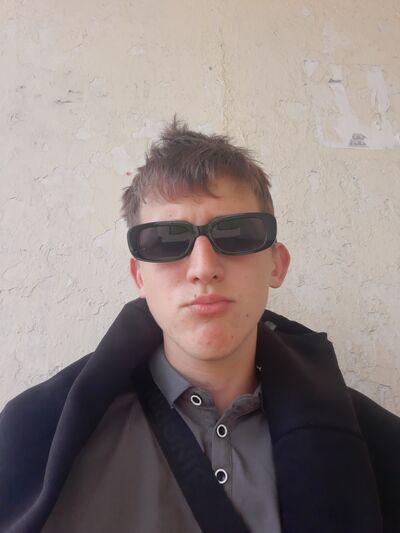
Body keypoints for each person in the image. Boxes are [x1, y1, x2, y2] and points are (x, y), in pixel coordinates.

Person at [0, 118, 399, 533]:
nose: (203, 268)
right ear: (139, 277)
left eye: (238, 235)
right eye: (166, 241)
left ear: (276, 264)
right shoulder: (35, 436)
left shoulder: (378, 447)